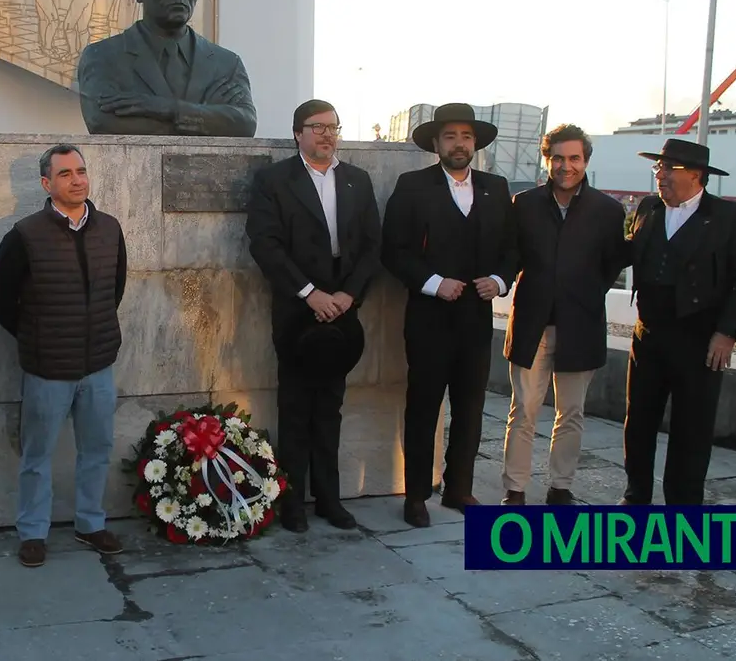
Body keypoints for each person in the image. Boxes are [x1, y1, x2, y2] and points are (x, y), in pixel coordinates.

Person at [245, 99, 381, 532]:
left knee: (331, 407)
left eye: (332, 127)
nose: (326, 134)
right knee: (295, 406)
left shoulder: (357, 181)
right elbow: (264, 243)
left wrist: (347, 295)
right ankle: (291, 502)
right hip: (297, 309)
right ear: (298, 133)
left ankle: (328, 499)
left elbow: (371, 246)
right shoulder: (274, 181)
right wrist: (309, 293)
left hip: (342, 310)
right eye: (317, 127)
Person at [381, 103, 518, 527]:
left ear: (474, 144)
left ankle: (459, 487)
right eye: (450, 137)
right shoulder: (412, 185)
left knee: (471, 407)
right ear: (437, 144)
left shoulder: (497, 187)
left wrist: (499, 279)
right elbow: (393, 251)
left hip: (477, 320)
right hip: (428, 319)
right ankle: (417, 494)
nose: (459, 144)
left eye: (466, 137)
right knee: (423, 406)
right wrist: (434, 282)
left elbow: (512, 250)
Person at [0, 144, 128, 567]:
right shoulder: (24, 235)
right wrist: (39, 336)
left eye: (81, 170)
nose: (76, 179)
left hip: (98, 365)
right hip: (48, 369)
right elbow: (2, 299)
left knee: (97, 448)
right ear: (47, 183)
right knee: (37, 455)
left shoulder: (109, 228)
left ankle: (90, 522)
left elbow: (115, 288)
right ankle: (33, 531)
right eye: (65, 173)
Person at [621, 139, 736, 505]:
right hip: (648, 334)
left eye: (669, 169)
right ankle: (636, 494)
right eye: (658, 168)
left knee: (692, 429)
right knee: (638, 422)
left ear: (696, 176)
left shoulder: (730, 218)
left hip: (699, 340)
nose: (660, 175)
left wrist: (727, 333)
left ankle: (683, 507)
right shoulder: (649, 208)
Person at [500, 125, 627, 506]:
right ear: (547, 160)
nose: (566, 166)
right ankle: (515, 489)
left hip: (581, 325)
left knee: (571, 413)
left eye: (574, 158)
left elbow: (609, 268)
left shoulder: (608, 211)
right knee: (523, 410)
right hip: (531, 325)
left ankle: (561, 486)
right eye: (558, 158)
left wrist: (580, 296)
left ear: (585, 161)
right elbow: (512, 257)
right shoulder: (523, 204)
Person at [75, 0, 257, 136]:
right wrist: (209, 118)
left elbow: (245, 124)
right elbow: (103, 122)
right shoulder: (102, 58)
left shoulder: (226, 65)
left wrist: (168, 109)